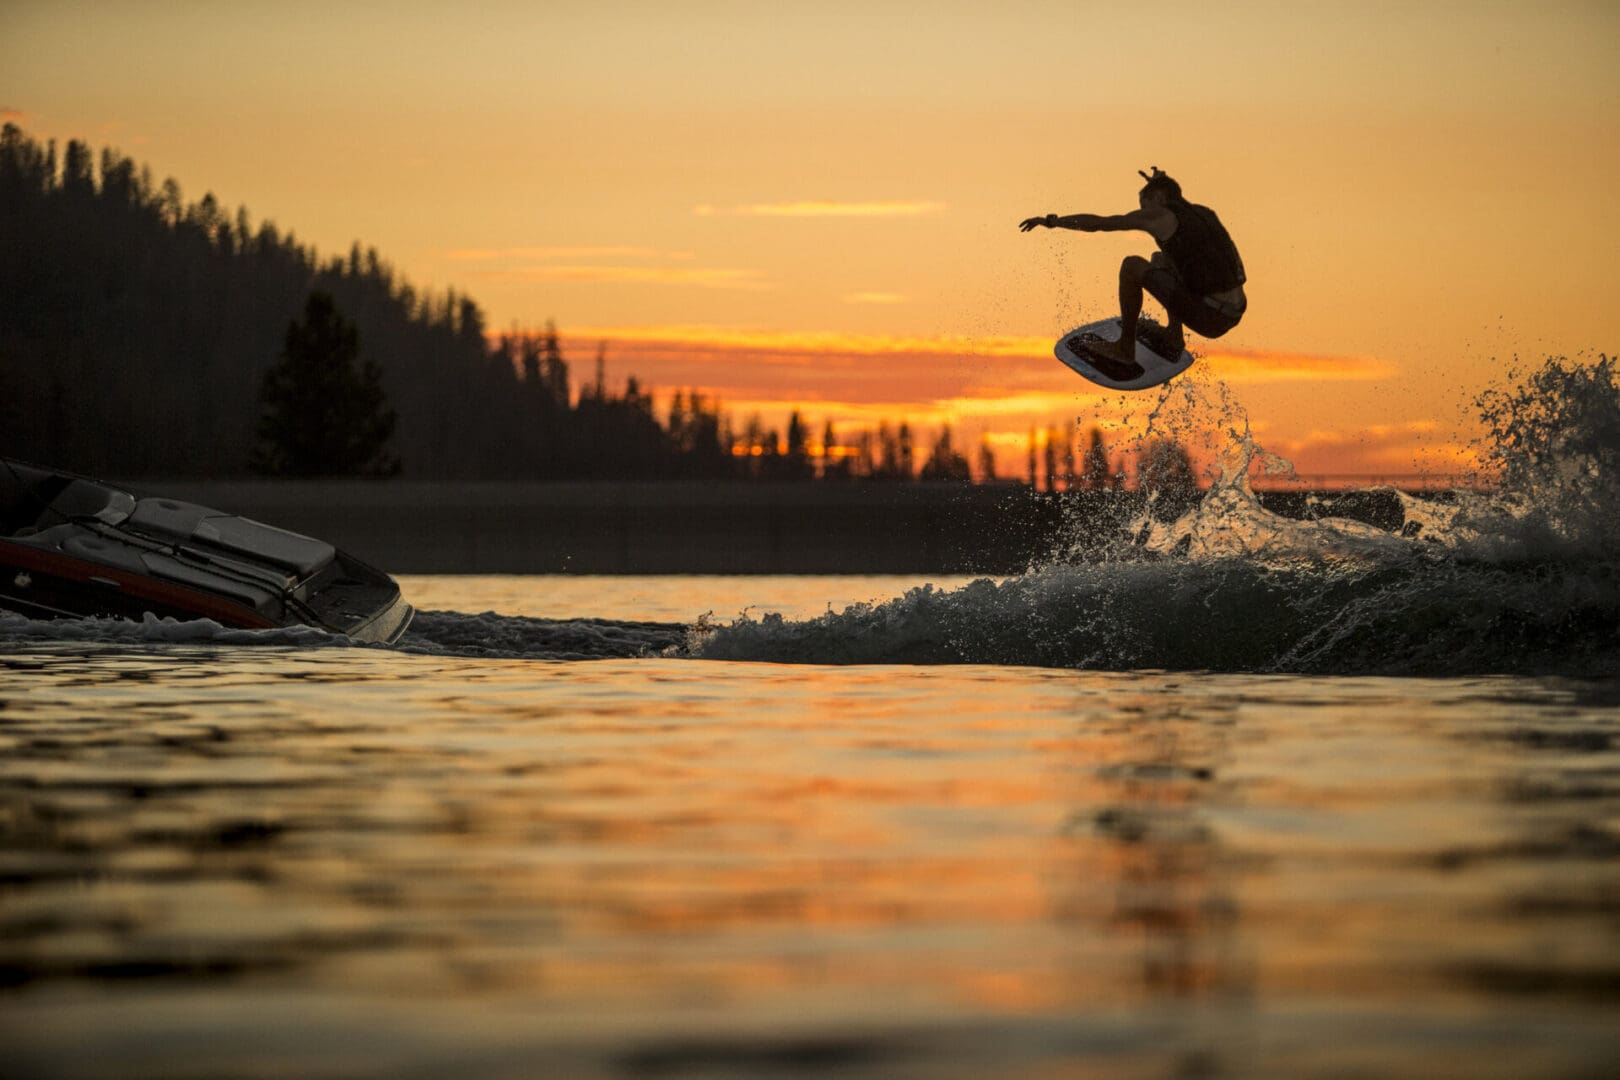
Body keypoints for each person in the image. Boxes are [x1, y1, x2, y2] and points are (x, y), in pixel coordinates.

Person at [1020, 168, 1246, 381]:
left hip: (1208, 315)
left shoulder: (1161, 216)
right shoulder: (1202, 213)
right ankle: (1173, 336)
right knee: (1161, 258)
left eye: (1144, 206)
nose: (1143, 213)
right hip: (1231, 312)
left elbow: (1101, 223)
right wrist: (1160, 182)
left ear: (1158, 198)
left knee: (1132, 266)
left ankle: (1124, 349)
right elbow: (1175, 201)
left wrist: (1053, 222)